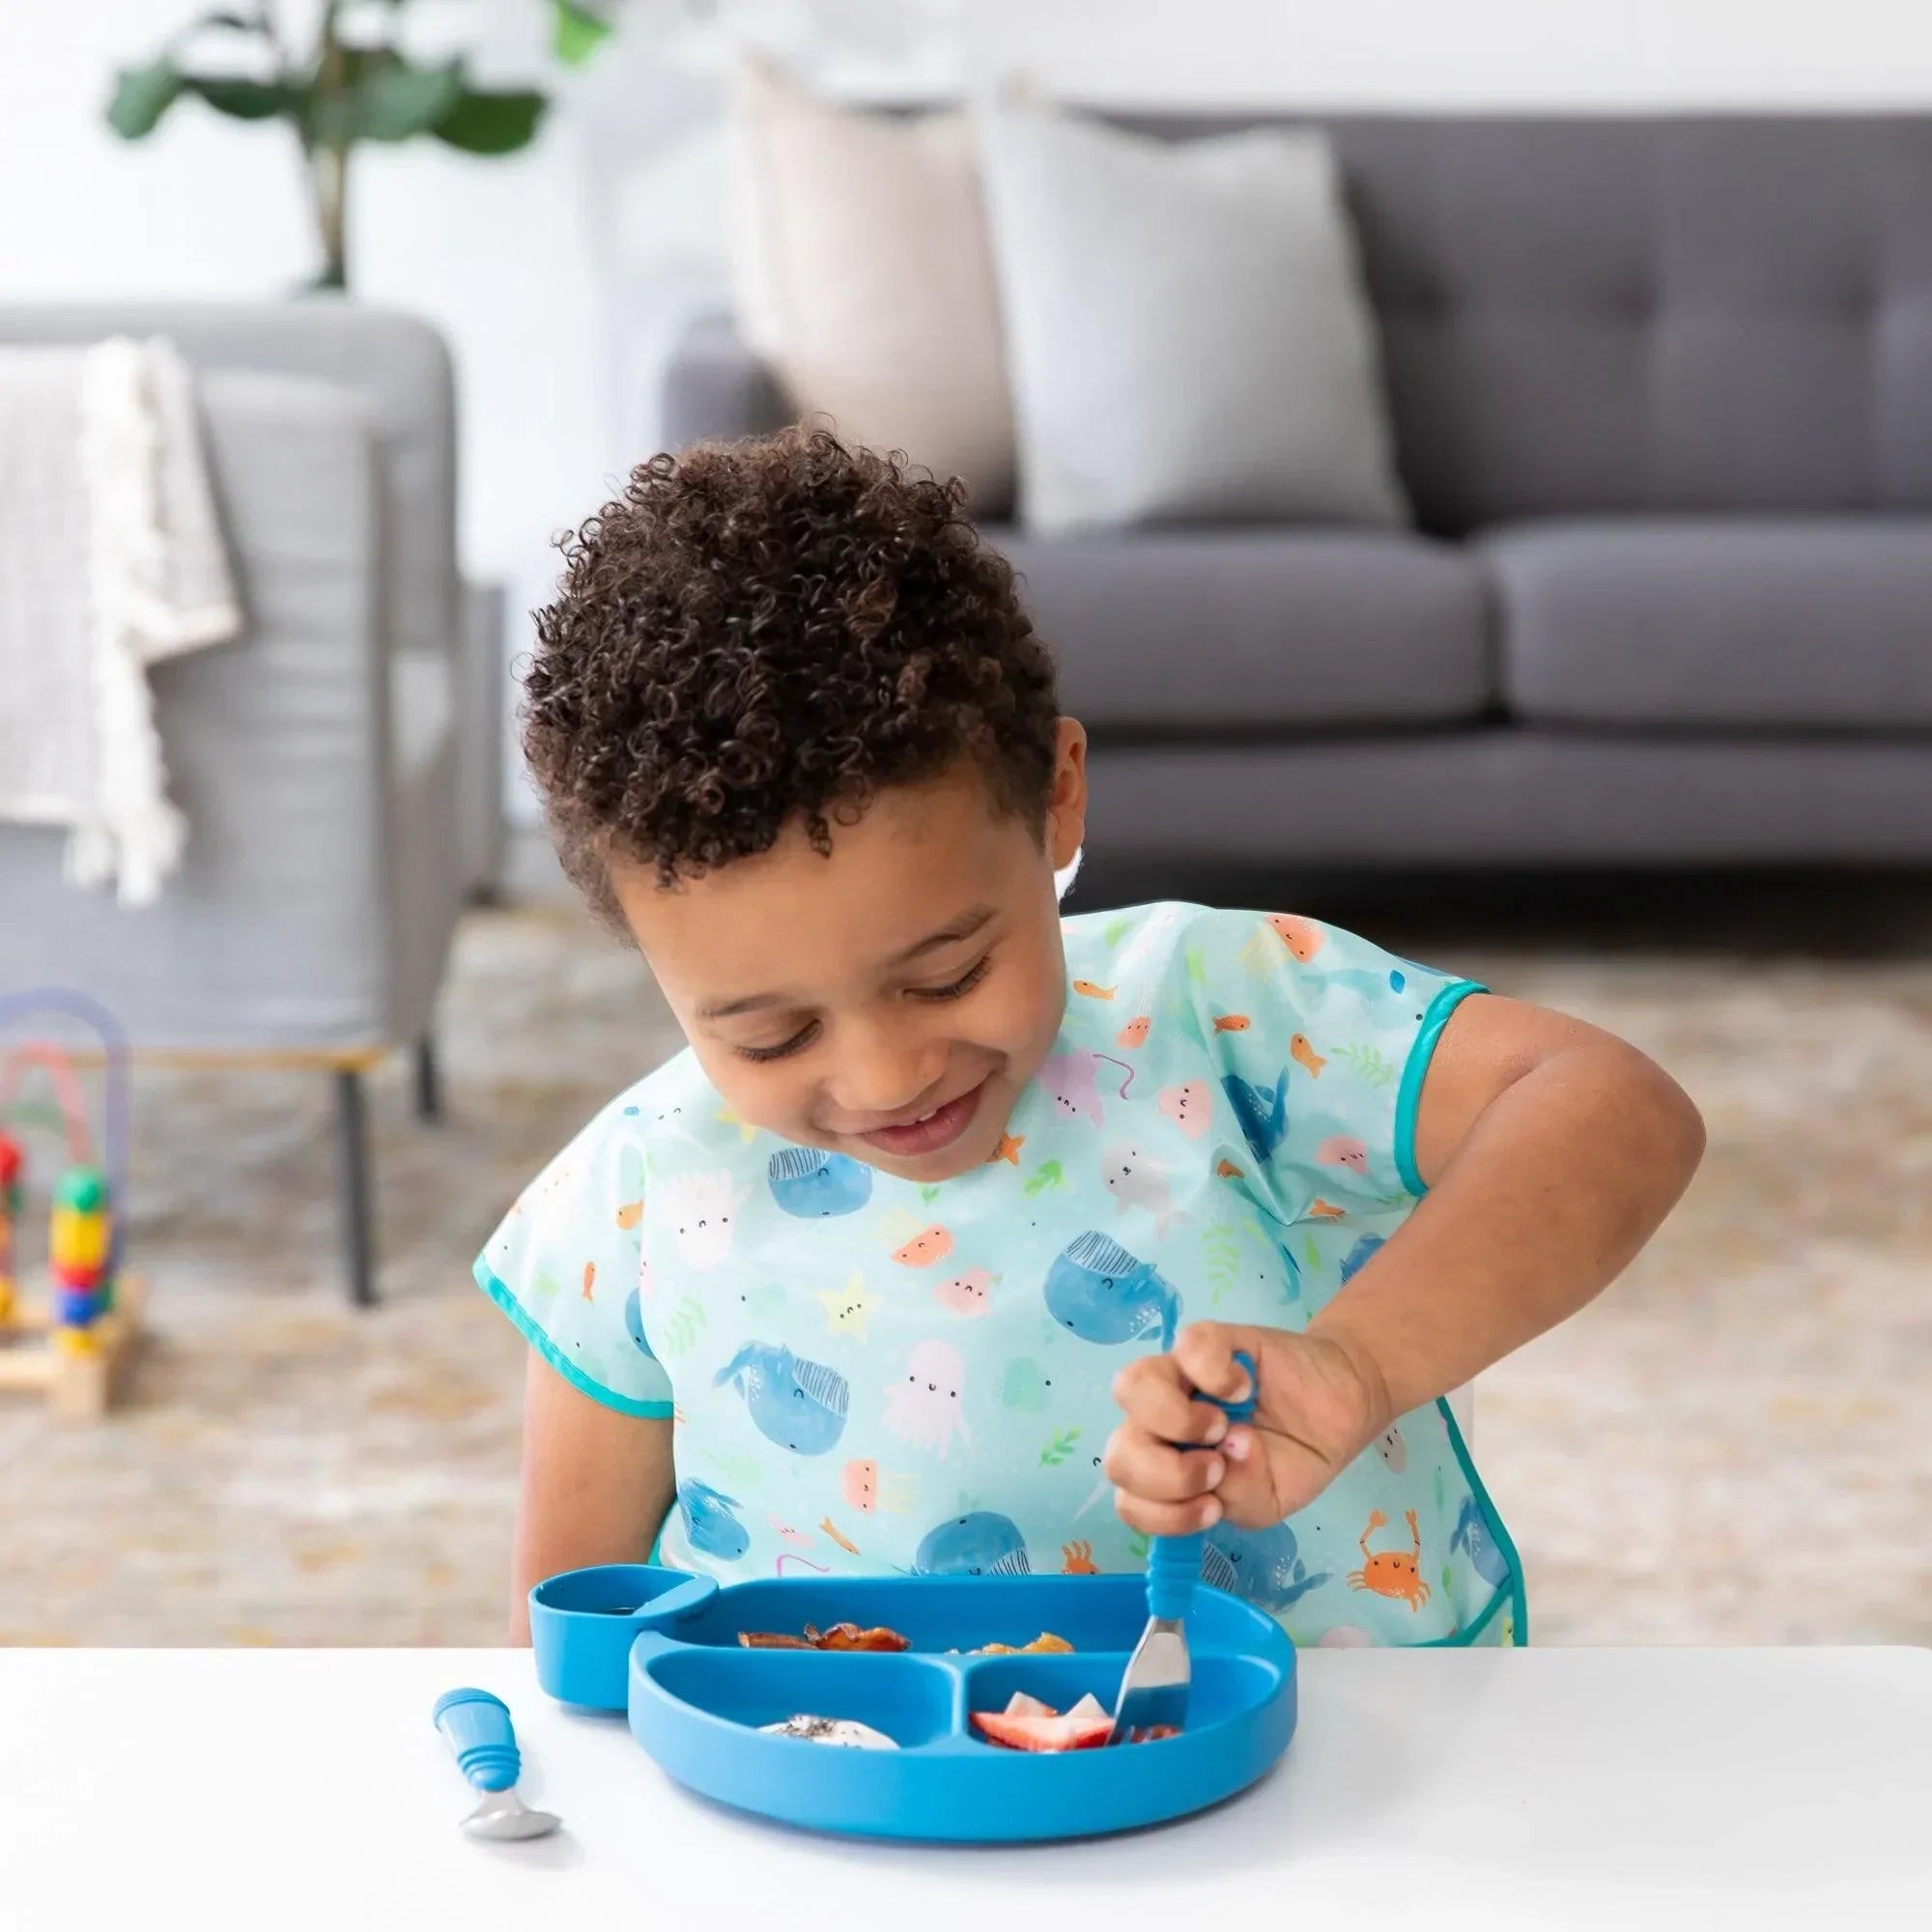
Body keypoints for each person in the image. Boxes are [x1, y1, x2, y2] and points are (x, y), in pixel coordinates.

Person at [479, 428, 1703, 1648]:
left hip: (1339, 1742)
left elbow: (1612, 1104)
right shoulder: (633, 1191)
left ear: (1057, 794)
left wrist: (1355, 1364)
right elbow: (575, 1645)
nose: (886, 1075)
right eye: (770, 1033)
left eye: (949, 973)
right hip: (819, 1766)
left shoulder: (1226, 1013)